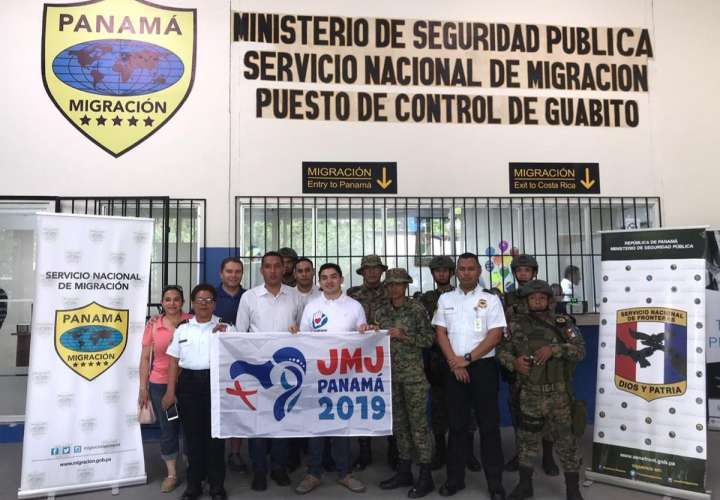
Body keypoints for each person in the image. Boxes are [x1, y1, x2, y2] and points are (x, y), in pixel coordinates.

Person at [497, 280, 586, 500]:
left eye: (542, 298)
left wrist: (554, 349)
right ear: (526, 301)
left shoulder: (562, 323)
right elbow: (501, 351)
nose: (537, 301)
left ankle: (573, 491)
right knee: (526, 441)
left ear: (549, 300)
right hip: (530, 392)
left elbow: (580, 351)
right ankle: (525, 486)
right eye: (533, 298)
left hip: (559, 394)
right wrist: (514, 363)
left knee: (566, 442)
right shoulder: (515, 324)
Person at [432, 252, 507, 499]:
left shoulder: (491, 299)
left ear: (479, 271)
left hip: (482, 368)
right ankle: (455, 480)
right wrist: (455, 363)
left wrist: (466, 360)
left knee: (488, 427)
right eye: (462, 269)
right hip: (453, 368)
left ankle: (495, 484)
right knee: (456, 427)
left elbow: (495, 336)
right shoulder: (446, 299)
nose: (466, 272)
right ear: (456, 272)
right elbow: (440, 333)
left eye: (471, 268)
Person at [294, 263, 369, 495]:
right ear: (319, 281)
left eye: (333, 277)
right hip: (317, 375)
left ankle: (344, 472)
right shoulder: (312, 306)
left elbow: (363, 335)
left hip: (344, 377)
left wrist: (366, 331)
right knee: (316, 425)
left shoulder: (355, 306)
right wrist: (295, 333)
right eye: (324, 278)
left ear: (341, 279)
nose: (328, 281)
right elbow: (304, 338)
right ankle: (313, 473)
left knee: (341, 424)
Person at [235, 251, 303, 491]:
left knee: (281, 419)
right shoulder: (249, 298)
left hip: (286, 371)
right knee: (258, 423)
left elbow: (304, 333)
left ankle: (279, 468)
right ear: (261, 270)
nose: (273, 271)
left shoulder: (295, 296)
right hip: (258, 370)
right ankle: (259, 470)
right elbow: (240, 333)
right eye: (268, 267)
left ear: (284, 269)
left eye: (277, 266)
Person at [372, 268, 435, 498]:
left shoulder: (417, 309)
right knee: (399, 427)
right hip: (390, 378)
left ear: (406, 286)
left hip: (413, 378)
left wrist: (403, 335)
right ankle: (404, 470)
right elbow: (374, 341)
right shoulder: (381, 311)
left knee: (418, 427)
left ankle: (426, 475)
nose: (394, 288)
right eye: (390, 285)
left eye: (398, 284)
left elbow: (429, 340)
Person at [163, 284, 228, 500]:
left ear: (214, 304)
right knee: (193, 438)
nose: (204, 303)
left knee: (215, 437)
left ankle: (217, 485)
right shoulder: (183, 328)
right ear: (192, 303)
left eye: (208, 300)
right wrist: (170, 392)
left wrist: (226, 336)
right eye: (199, 299)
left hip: (215, 384)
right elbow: (173, 362)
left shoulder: (226, 328)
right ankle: (194, 484)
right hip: (189, 384)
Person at [417, 255, 481, 473]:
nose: (442, 274)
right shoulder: (425, 299)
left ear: (452, 273)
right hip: (437, 359)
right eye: (438, 271)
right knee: (438, 407)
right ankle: (441, 452)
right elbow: (424, 328)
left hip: (463, 357)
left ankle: (468, 453)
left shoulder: (462, 295)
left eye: (446, 270)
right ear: (433, 274)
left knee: (468, 406)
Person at [503, 255, 559, 476]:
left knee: (549, 413)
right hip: (519, 359)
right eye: (519, 270)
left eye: (527, 270)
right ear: (515, 273)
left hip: (545, 360)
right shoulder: (508, 298)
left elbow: (555, 326)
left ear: (533, 272)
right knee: (518, 409)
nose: (523, 273)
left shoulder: (545, 293)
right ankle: (521, 453)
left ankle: (547, 456)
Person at [138, 285, 192, 493]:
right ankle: (172, 474)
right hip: (160, 384)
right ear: (162, 302)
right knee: (168, 429)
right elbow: (144, 359)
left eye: (176, 299)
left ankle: (193, 468)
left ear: (183, 301)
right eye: (167, 299)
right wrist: (143, 388)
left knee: (190, 427)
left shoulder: (192, 321)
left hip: (188, 383)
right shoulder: (153, 325)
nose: (172, 303)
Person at [347, 254, 393, 470]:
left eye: (376, 269)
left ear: (382, 271)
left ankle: (394, 450)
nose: (372, 272)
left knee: (390, 402)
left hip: (388, 356)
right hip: (359, 358)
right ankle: (364, 451)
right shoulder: (352, 294)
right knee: (362, 401)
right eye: (368, 269)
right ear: (362, 272)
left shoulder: (392, 291)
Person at [214, 256, 248, 473]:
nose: (233, 275)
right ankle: (214, 451)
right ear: (221, 273)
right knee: (217, 406)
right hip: (214, 360)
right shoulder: (210, 296)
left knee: (239, 404)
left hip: (241, 360)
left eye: (237, 272)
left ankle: (235, 453)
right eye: (229, 271)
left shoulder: (249, 296)